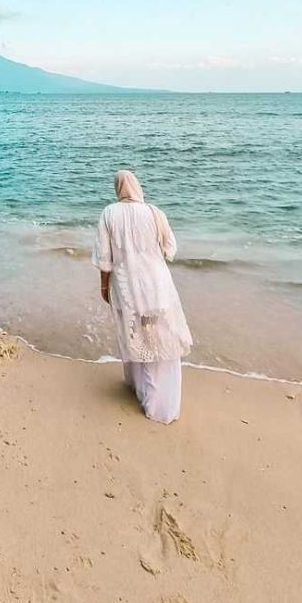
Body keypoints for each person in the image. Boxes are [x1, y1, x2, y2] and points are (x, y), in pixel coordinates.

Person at [93, 169, 192, 423]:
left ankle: (143, 392)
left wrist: (104, 288)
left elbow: (105, 259)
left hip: (128, 289)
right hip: (158, 286)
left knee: (136, 337)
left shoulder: (109, 214)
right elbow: (170, 249)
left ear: (118, 188)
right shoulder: (155, 212)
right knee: (158, 338)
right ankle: (160, 403)